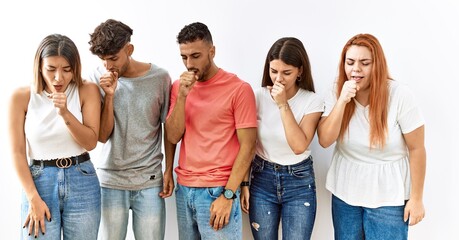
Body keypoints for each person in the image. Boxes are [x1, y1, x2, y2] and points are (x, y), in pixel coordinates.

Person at [317, 33, 426, 240]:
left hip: (389, 195)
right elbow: (324, 140)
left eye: (364, 63)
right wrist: (342, 101)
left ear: (377, 65)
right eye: (350, 62)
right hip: (345, 192)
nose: (355, 69)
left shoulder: (400, 95)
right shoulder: (336, 91)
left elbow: (417, 148)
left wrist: (417, 199)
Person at [165, 22, 257, 240]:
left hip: (218, 189)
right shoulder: (179, 87)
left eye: (196, 56)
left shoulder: (238, 89)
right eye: (184, 57)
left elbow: (248, 146)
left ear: (212, 51)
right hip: (184, 189)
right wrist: (183, 97)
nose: (189, 64)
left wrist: (228, 194)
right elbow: (172, 136)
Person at [87, 19, 174, 240]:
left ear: (129, 49)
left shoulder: (160, 78)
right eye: (103, 60)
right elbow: (102, 136)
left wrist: (169, 169)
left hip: (150, 180)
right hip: (111, 181)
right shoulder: (97, 78)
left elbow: (168, 130)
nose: (108, 66)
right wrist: (109, 95)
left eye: (113, 58)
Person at [9, 34, 102, 239]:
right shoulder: (21, 97)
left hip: (82, 179)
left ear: (75, 68)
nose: (59, 78)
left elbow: (91, 141)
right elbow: (16, 152)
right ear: (39, 66)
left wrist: (65, 113)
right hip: (39, 182)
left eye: (67, 69)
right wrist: (33, 197)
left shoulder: (87, 90)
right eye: (51, 69)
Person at [241, 37, 323, 240]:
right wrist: (244, 184)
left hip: (299, 182)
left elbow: (299, 146)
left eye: (286, 73)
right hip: (262, 178)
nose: (278, 79)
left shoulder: (312, 101)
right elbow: (247, 144)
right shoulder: (257, 96)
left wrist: (283, 105)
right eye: (273, 71)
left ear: (300, 71)